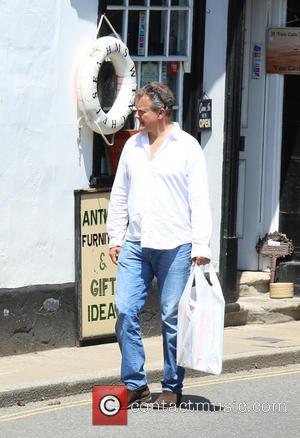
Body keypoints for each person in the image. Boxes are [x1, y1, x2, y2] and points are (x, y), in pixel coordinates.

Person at [106, 82, 212, 408]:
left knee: (171, 316)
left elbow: (199, 198)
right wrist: (115, 236)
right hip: (136, 243)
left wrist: (201, 246)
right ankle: (136, 384)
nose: (136, 116)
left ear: (161, 113)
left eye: (142, 111)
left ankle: (171, 385)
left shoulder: (187, 147)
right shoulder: (132, 146)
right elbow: (119, 193)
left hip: (176, 244)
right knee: (124, 310)